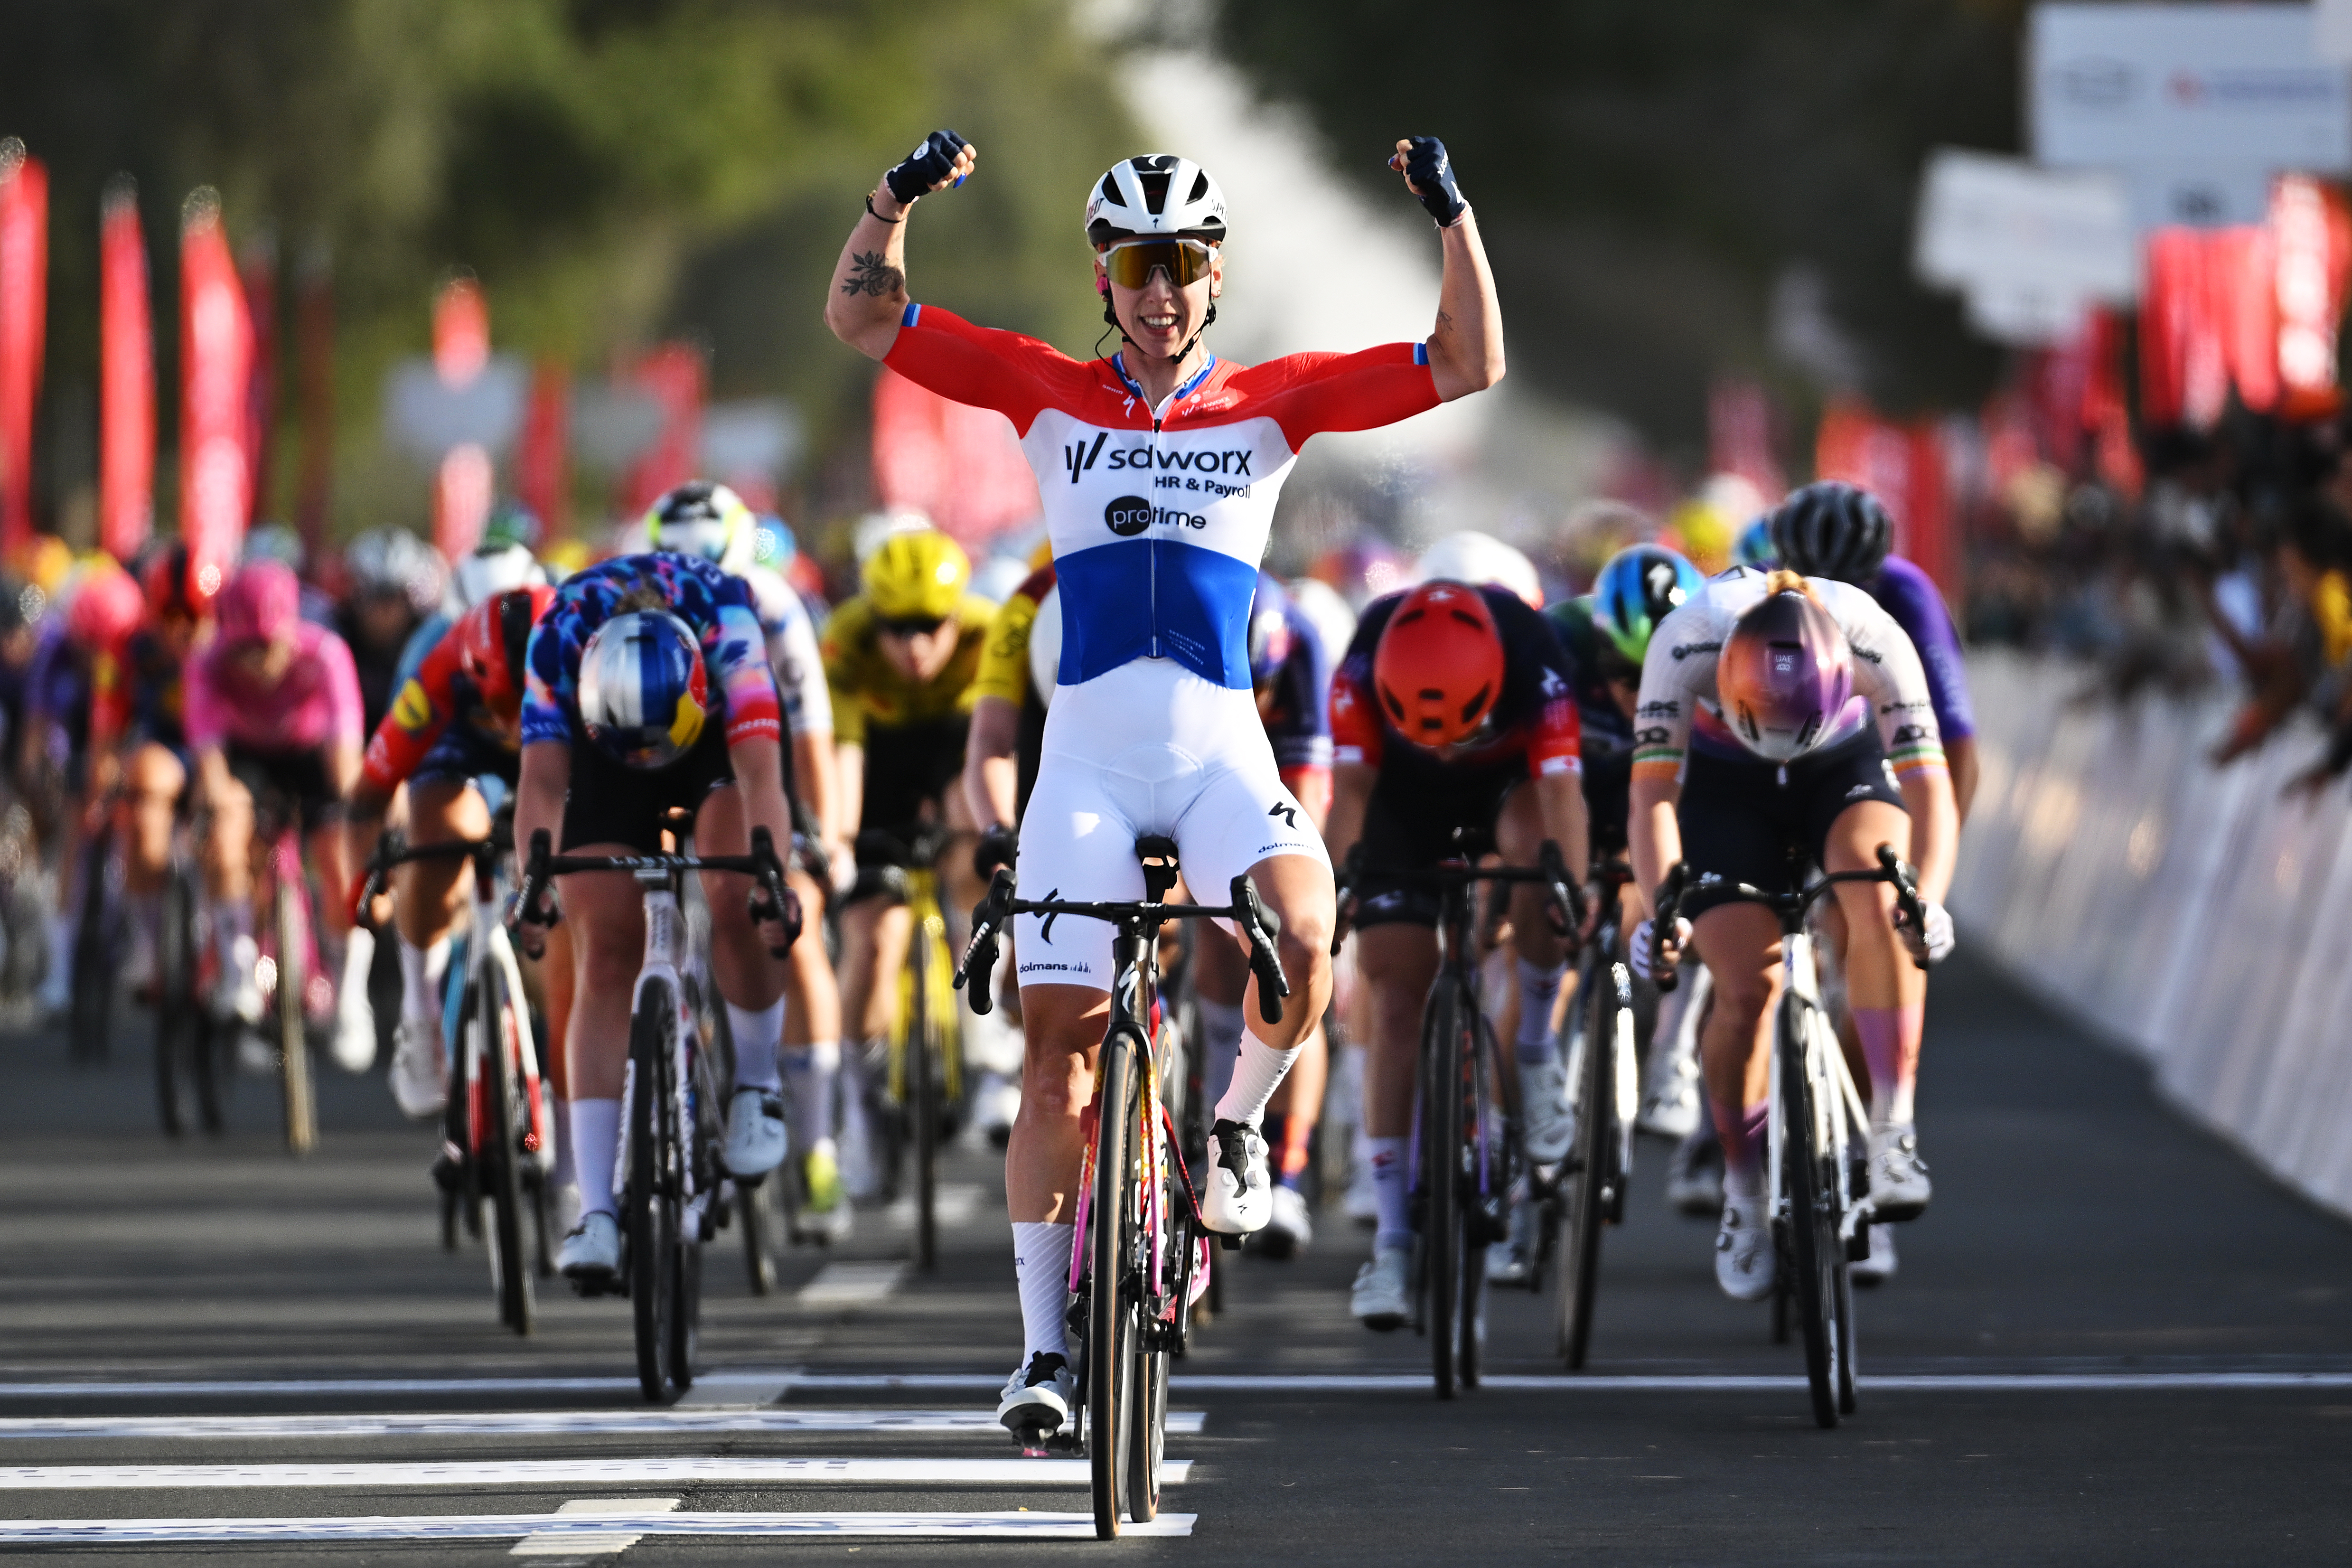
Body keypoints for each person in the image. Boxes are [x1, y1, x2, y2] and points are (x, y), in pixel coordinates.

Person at [826, 128, 1503, 1433]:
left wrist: (1451, 218)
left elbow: (1467, 362)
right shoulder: (1041, 388)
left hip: (1217, 758)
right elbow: (862, 318)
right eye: (1136, 264)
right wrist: (893, 199)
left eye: (1181, 263)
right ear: (1104, 276)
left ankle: (1237, 1123)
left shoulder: (1273, 399)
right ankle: (1040, 1353)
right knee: (1055, 1067)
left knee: (1303, 931)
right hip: (1084, 765)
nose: (1158, 289)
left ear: (1212, 276)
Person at [1627, 566, 1957, 1305]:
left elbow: (1929, 788)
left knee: (1882, 899)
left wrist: (1927, 902)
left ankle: (1892, 1133)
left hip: (1840, 768)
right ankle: (1742, 1194)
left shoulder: (1873, 637)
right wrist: (1661, 909)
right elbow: (1651, 795)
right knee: (1745, 988)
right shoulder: (1685, 641)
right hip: (1723, 785)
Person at [511, 551, 799, 1283]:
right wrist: (532, 885)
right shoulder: (557, 636)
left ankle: (756, 1084)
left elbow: (761, 773)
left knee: (735, 887)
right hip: (601, 752)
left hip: (710, 744)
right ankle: (596, 1211)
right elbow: (541, 782)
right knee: (604, 949)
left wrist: (772, 880)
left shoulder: (729, 627)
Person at [1328, 580, 1589, 1324]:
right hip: (1399, 803)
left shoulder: (1535, 657)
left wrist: (1566, 895)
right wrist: (1336, 892)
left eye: (1456, 732)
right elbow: (1349, 796)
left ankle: (1532, 1047)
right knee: (1394, 995)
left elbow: (1562, 797)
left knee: (1542, 867)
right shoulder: (1361, 662)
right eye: (1427, 734)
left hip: (1505, 790)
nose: (1443, 748)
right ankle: (1390, 1240)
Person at [649, 481, 851, 1242]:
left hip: (761, 750)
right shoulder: (643, 600)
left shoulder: (771, 605)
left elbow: (810, 733)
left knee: (790, 922)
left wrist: (824, 839)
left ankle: (819, 1144)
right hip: (667, 748)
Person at [820, 525, 996, 1199]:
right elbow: (842, 755)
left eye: (929, 626)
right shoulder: (844, 640)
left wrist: (996, 837)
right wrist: (840, 842)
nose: (913, 644)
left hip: (956, 751)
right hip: (878, 762)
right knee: (874, 935)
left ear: (957, 616)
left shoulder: (987, 632)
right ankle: (860, 1109)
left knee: (976, 854)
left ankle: (987, 1054)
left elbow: (995, 750)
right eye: (895, 627)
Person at [345, 585, 562, 1119]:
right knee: (438, 833)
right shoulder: (441, 670)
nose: (515, 725)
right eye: (503, 706)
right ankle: (419, 1013)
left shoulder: (581, 660)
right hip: (464, 750)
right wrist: (363, 885)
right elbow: (369, 794)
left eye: (526, 703)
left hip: (563, 745)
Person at [1548, 543, 1710, 1154]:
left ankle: (1671, 1048)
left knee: (1698, 880)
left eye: (1660, 675)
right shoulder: (1558, 643)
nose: (1643, 692)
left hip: (1659, 793)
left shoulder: (1714, 658)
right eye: (1625, 674)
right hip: (1573, 788)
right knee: (1540, 923)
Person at [185, 561, 365, 1033]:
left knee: (339, 854)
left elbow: (346, 768)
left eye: (266, 648)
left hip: (310, 756)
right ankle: (238, 966)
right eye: (243, 650)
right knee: (226, 829)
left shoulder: (326, 654)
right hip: (247, 757)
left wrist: (352, 810)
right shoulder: (206, 662)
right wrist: (222, 805)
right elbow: (211, 764)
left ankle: (351, 996)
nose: (257, 664)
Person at [87, 542, 216, 998]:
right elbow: (107, 723)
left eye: (193, 619)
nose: (182, 631)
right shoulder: (127, 646)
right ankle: (148, 942)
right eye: (170, 617)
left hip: (220, 753)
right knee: (143, 810)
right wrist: (103, 779)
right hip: (162, 748)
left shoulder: (227, 647)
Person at [338, 528, 446, 737]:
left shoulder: (428, 638)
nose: (386, 611)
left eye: (396, 598)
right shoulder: (337, 633)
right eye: (375, 597)